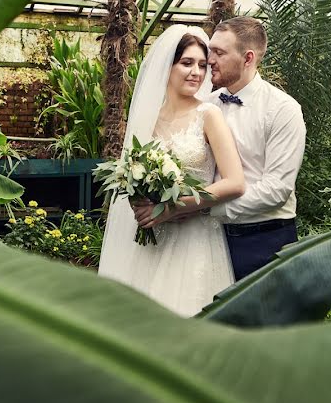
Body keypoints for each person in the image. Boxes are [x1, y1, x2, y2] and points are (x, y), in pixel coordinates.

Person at [97, 25, 245, 317]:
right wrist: (139, 203)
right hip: (148, 244)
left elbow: (235, 183)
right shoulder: (146, 119)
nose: (197, 72)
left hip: (194, 242)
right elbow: (130, 174)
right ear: (169, 65)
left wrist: (173, 208)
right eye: (187, 63)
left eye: (202, 65)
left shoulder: (209, 115)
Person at [206, 16, 306, 281]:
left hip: (265, 241)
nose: (209, 60)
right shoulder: (207, 104)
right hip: (207, 240)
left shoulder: (282, 109)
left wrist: (204, 208)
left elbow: (277, 190)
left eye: (219, 52)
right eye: (209, 50)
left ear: (248, 58)